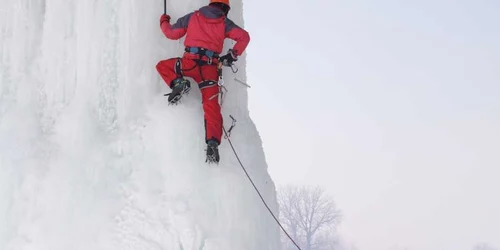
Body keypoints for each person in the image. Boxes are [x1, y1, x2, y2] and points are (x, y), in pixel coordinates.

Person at [156, 0, 250, 163]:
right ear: (225, 8)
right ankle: (212, 144)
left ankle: (178, 83)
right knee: (211, 106)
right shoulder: (224, 23)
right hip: (209, 69)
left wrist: (164, 20)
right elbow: (244, 37)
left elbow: (171, 33)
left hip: (189, 63)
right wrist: (232, 55)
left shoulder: (193, 17)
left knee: (163, 66)